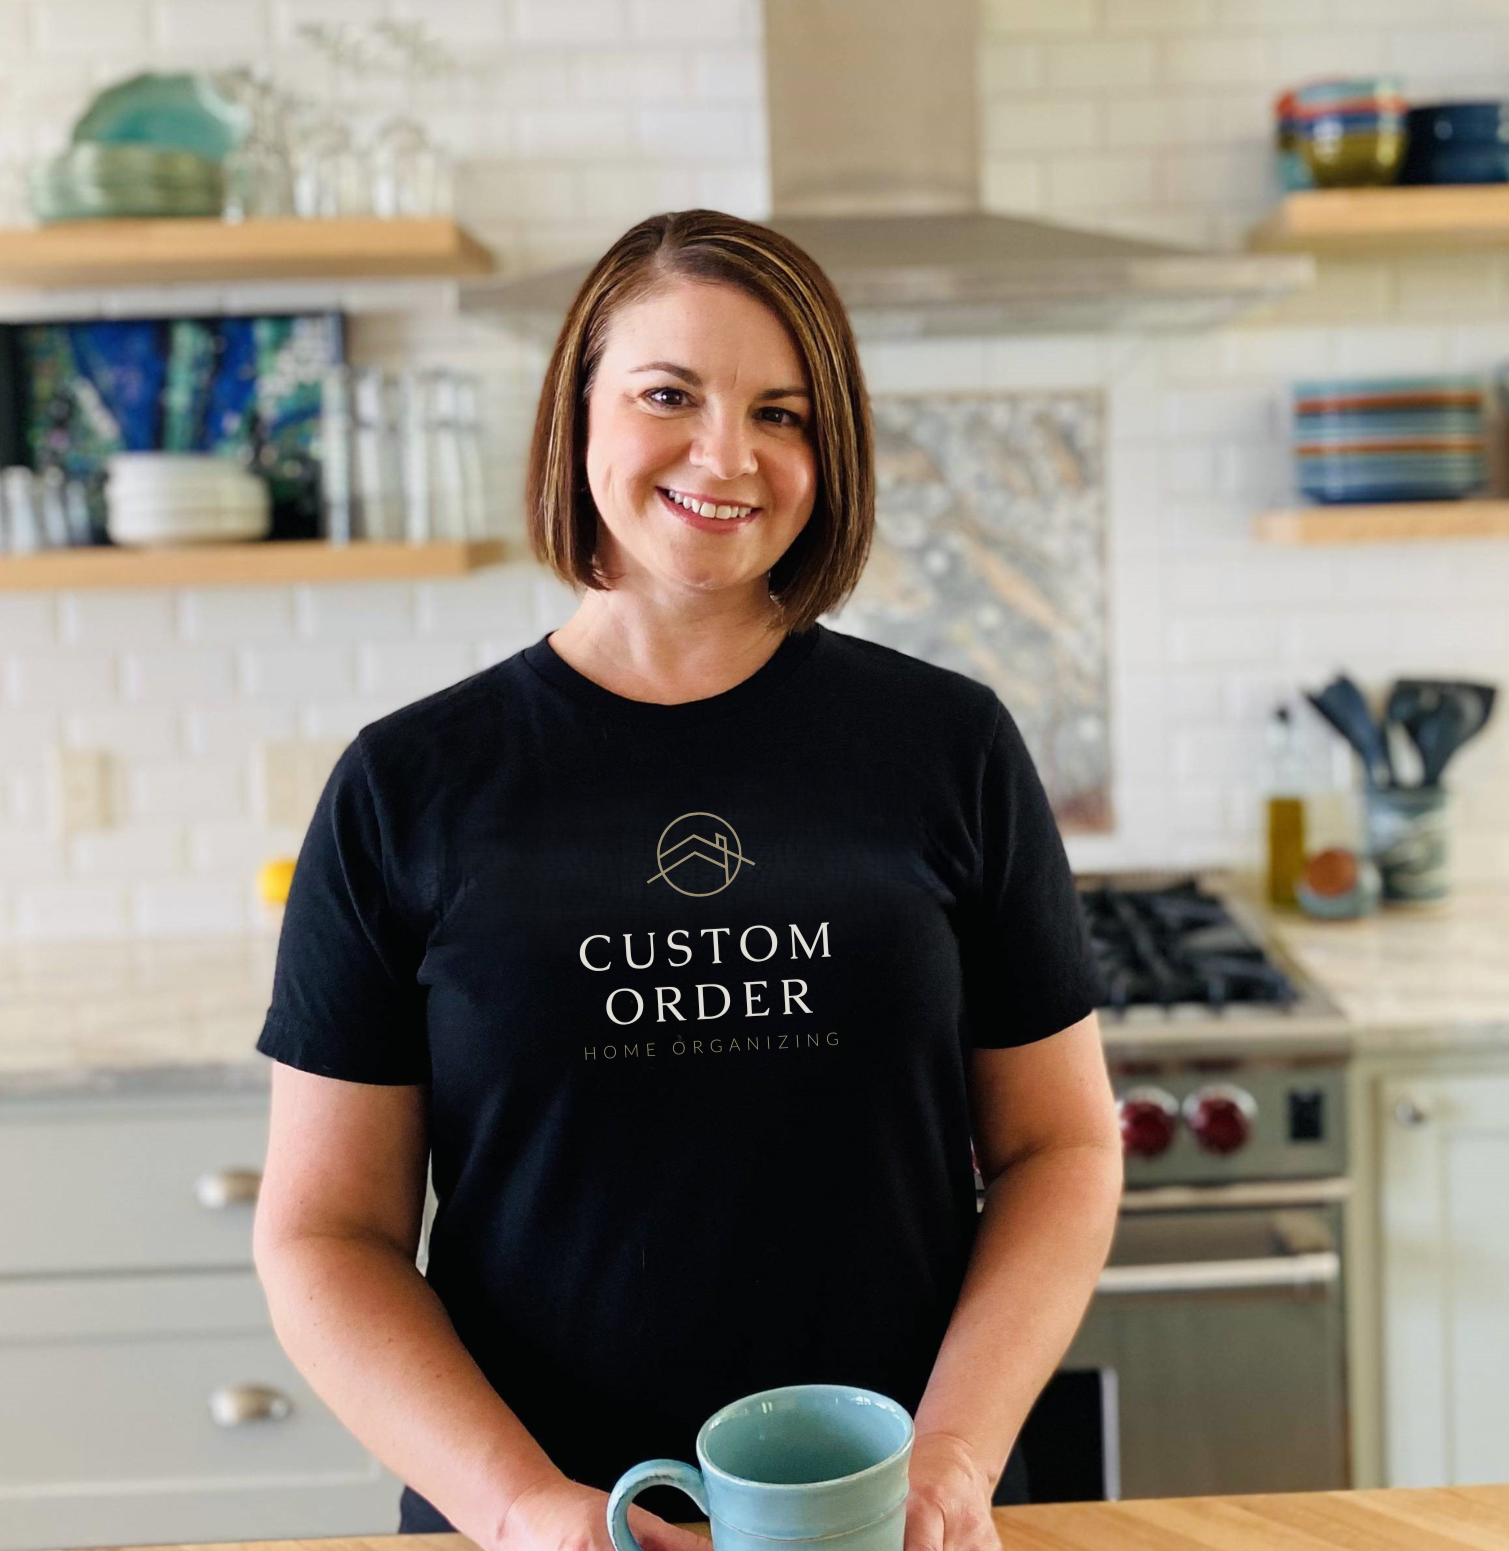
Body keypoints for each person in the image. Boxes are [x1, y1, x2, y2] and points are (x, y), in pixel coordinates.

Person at [253, 209, 1123, 1551]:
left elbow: (1059, 1146)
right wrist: (521, 1509)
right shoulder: (406, 784)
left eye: (782, 413)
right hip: (536, 1529)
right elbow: (324, 1236)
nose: (728, 455)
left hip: (882, 1525)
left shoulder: (948, 745)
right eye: (669, 394)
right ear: (577, 414)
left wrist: (953, 1458)